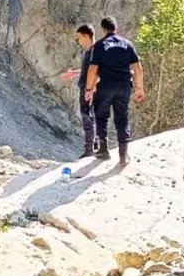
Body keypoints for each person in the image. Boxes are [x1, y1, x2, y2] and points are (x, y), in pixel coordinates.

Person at [85, 16, 145, 165]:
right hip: (124, 85)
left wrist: (89, 89)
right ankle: (123, 156)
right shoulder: (127, 44)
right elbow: (137, 69)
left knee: (101, 116)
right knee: (122, 118)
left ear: (103, 30)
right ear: (116, 28)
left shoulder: (99, 45)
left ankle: (103, 150)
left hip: (106, 84)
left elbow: (92, 70)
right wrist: (139, 89)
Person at [62, 23, 98, 157]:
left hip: (89, 89)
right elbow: (88, 70)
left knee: (88, 118)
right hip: (87, 88)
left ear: (86, 36)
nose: (79, 41)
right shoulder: (91, 52)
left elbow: (97, 71)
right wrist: (74, 73)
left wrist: (91, 89)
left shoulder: (94, 52)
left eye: (79, 38)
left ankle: (90, 150)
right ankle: (94, 147)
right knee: (90, 117)